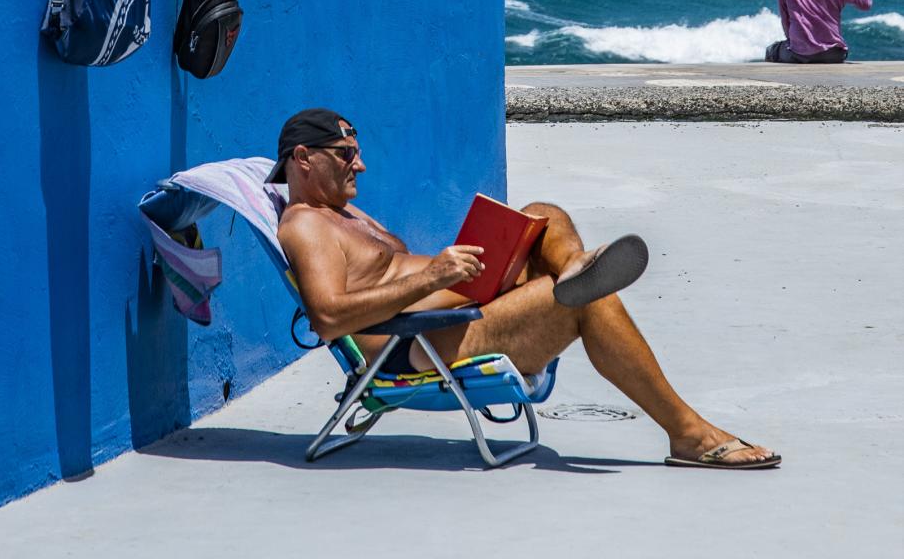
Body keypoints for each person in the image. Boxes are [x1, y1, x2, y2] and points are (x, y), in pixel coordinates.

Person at [271, 108, 780, 470]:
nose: (359, 165)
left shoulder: (340, 212)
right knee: (586, 302)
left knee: (542, 215)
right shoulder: (307, 225)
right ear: (303, 158)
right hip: (418, 344)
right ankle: (688, 432)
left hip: (454, 309)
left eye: (356, 153)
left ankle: (575, 265)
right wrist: (434, 277)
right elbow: (328, 318)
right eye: (345, 154)